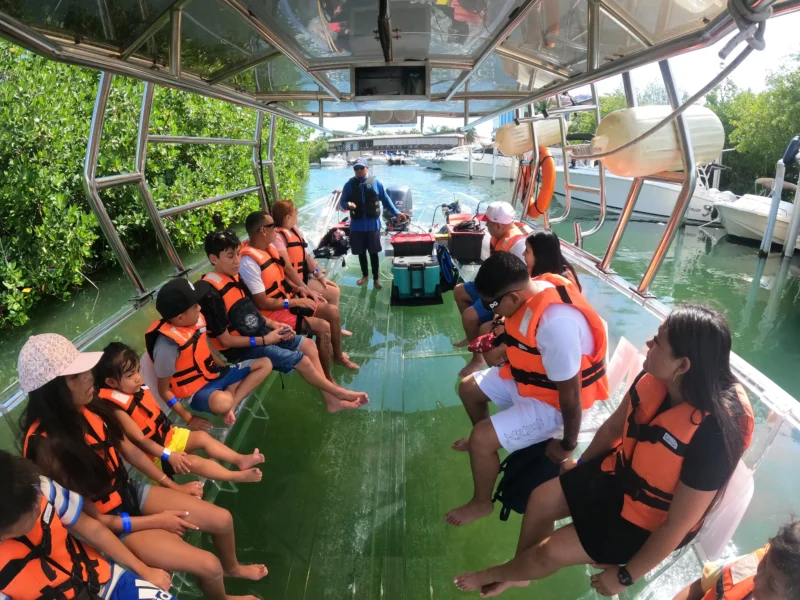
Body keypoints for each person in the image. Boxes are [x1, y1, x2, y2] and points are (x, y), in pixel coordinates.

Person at [453, 304, 755, 598]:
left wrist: (626, 575)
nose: (648, 342)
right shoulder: (654, 378)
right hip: (620, 474)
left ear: (683, 365)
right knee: (540, 499)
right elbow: (612, 429)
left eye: (658, 341)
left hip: (651, 521)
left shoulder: (714, 433)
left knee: (552, 551)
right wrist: (582, 465)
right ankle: (521, 574)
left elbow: (678, 524)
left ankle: (503, 572)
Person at [18, 334, 266, 600]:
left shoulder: (91, 407)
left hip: (129, 492)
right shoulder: (46, 448)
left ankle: (233, 568)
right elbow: (95, 522)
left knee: (222, 519)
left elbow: (132, 451)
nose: (89, 377)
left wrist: (173, 486)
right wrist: (157, 523)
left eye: (84, 370)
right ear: (51, 392)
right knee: (209, 565)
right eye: (74, 376)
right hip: (113, 525)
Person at [446, 252, 608, 527]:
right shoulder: (536, 287)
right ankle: (486, 451)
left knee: (481, 437)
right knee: (469, 389)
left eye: (492, 304)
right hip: (531, 381)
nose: (492, 311)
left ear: (513, 298)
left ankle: (481, 502)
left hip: (555, 405)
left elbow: (571, 397)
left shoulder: (556, 326)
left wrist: (567, 445)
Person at [202, 229, 368, 412]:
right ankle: (340, 394)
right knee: (303, 361)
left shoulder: (235, 277)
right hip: (243, 348)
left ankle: (332, 401)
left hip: (261, 332)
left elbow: (250, 313)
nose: (237, 261)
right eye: (230, 256)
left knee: (309, 346)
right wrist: (266, 339)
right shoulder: (210, 294)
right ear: (213, 258)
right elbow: (225, 340)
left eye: (238, 254)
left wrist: (274, 325)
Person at [0, 450, 174, 600]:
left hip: (106, 580)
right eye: (30, 514)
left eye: (35, 500)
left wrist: (144, 570)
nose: (39, 506)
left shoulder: (40, 487)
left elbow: (94, 529)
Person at [94, 342, 266, 484]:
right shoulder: (117, 409)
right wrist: (169, 455)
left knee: (202, 437)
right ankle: (235, 477)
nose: (138, 378)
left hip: (169, 435)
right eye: (130, 375)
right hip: (156, 456)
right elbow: (141, 441)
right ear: (111, 382)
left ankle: (240, 460)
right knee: (193, 462)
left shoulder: (136, 390)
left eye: (138, 370)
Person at [240, 212, 360, 378]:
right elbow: (261, 303)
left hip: (287, 302)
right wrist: (295, 303)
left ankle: (338, 356)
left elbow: (281, 277)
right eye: (272, 226)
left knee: (332, 311)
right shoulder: (248, 262)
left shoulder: (269, 249)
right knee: (322, 326)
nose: (276, 229)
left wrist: (300, 290)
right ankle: (327, 378)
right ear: (262, 231)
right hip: (272, 314)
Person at [145, 277, 273, 426]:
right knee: (223, 402)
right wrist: (189, 418)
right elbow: (164, 391)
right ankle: (230, 398)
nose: (199, 308)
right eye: (194, 306)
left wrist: (225, 369)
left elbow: (203, 350)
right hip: (197, 392)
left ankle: (232, 399)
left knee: (265, 363)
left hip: (214, 374)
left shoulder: (194, 321)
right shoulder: (166, 348)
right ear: (180, 318)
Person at [453, 201, 527, 377]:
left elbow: (520, 285)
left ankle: (477, 359)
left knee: (469, 316)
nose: (485, 225)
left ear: (499, 225)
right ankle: (470, 335)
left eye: (489, 222)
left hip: (502, 294)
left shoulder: (519, 246)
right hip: (492, 285)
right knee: (459, 291)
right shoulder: (498, 236)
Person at [673, 519, 799, 600]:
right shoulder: (750, 565)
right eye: (765, 561)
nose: (756, 578)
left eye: (772, 585)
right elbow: (699, 588)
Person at [338, 157, 408, 289]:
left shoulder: (376, 183)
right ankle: (365, 276)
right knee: (361, 253)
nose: (358, 170)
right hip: (357, 226)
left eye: (361, 168)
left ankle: (376, 278)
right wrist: (347, 204)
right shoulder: (349, 184)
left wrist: (397, 213)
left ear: (367, 168)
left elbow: (386, 201)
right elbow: (342, 202)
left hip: (373, 226)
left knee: (373, 253)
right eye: (356, 168)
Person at [270, 198, 347, 313]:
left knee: (335, 290)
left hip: (304, 277)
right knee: (331, 298)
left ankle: (332, 324)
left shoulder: (293, 230)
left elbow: (305, 257)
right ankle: (329, 324)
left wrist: (319, 275)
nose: (297, 212)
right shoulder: (278, 238)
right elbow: (288, 269)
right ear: (287, 217)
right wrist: (306, 289)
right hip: (292, 284)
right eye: (295, 210)